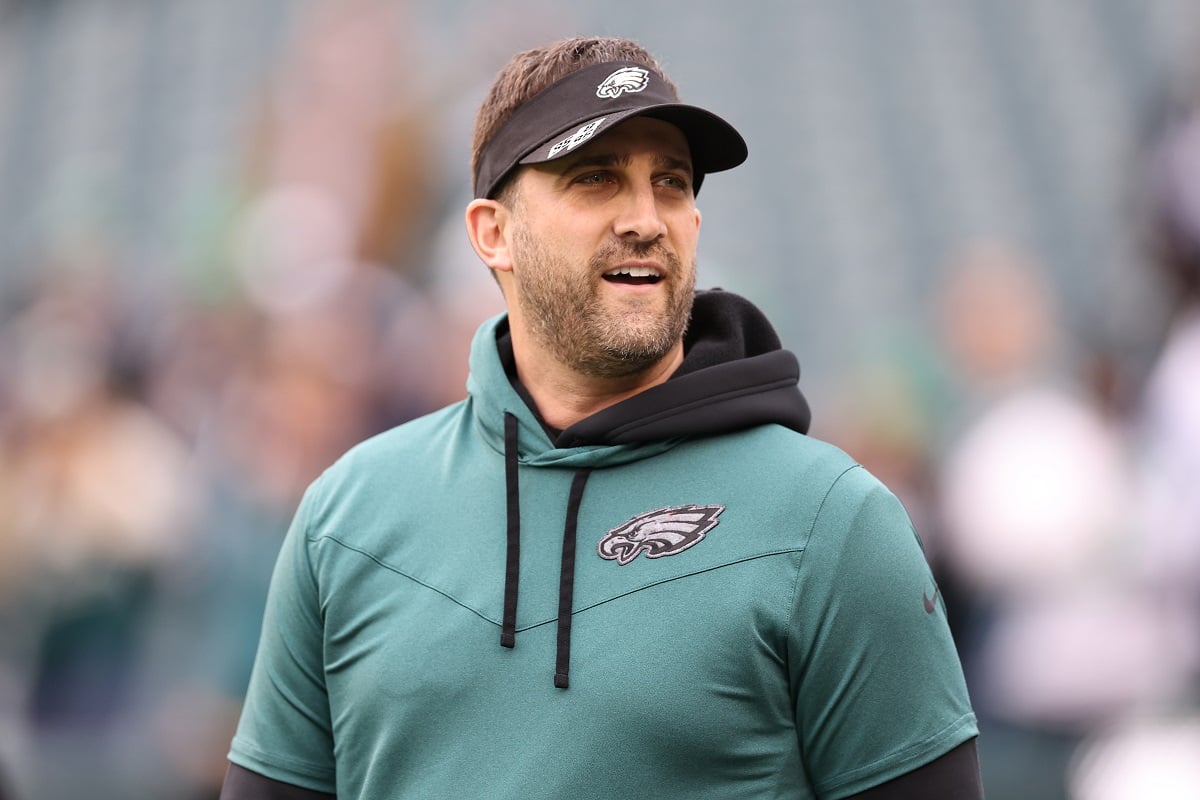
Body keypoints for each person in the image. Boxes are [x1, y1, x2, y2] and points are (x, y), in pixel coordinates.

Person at [219, 36, 981, 799]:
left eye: (672, 183)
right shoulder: (346, 517)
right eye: (596, 179)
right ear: (493, 232)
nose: (646, 218)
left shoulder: (831, 521)